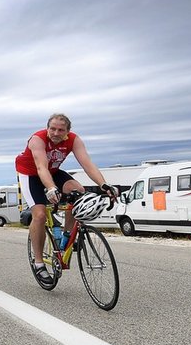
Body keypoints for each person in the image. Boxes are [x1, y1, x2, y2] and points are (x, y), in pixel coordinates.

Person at [15, 114, 117, 284]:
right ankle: (39, 263)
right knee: (39, 215)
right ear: (47, 128)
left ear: (67, 132)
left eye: (60, 130)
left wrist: (104, 185)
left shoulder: (74, 140)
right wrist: (51, 188)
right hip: (31, 174)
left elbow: (88, 165)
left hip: (53, 172)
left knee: (78, 191)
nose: (55, 133)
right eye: (52, 129)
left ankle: (67, 236)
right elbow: (41, 167)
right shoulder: (37, 139)